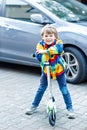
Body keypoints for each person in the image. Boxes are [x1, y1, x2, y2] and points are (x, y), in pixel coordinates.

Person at [25, 24, 75, 119]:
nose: (48, 38)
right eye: (46, 36)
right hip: (46, 71)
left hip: (58, 71)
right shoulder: (40, 45)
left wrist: (46, 52)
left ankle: (70, 108)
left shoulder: (58, 43)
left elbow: (59, 49)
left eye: (51, 36)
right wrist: (42, 54)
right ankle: (34, 105)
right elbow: (39, 56)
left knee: (64, 89)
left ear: (55, 37)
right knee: (41, 89)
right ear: (42, 37)